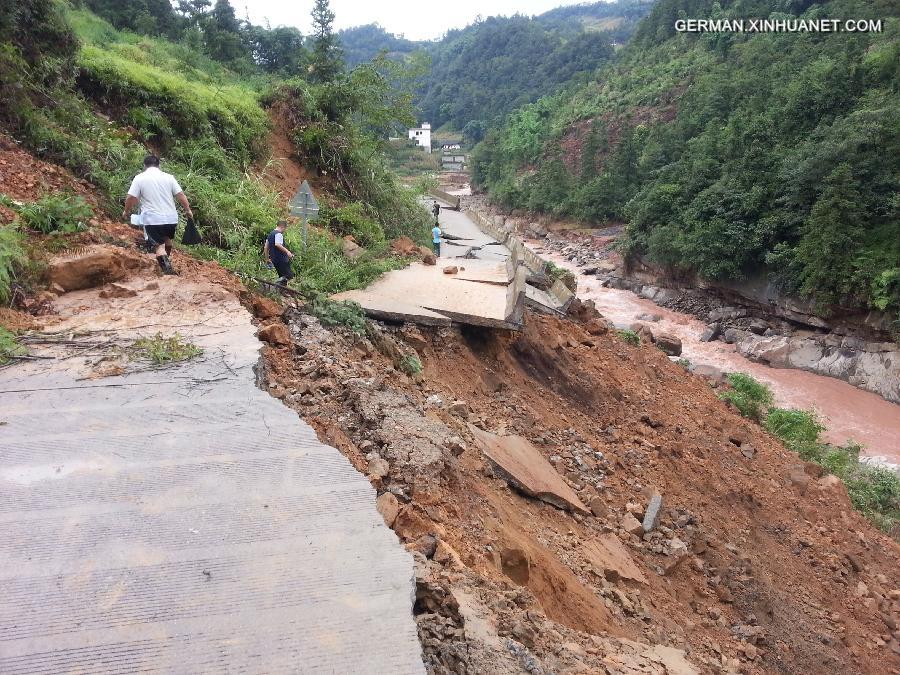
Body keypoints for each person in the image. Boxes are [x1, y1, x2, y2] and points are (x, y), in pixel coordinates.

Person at [123, 155, 193, 275]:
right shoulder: (169, 177)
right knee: (167, 241)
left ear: (145, 166)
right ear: (158, 165)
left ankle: (167, 271)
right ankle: (165, 262)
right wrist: (188, 210)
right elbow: (180, 195)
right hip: (171, 219)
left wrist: (126, 210)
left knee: (159, 247)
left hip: (153, 219)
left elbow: (131, 197)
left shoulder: (140, 178)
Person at [264, 220, 294, 285]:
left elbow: (266, 247)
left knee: (282, 276)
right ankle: (275, 285)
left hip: (274, 260)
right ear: (283, 227)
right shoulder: (278, 234)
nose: (285, 230)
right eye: (285, 228)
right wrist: (287, 252)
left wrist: (267, 259)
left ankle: (282, 291)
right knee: (289, 276)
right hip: (281, 259)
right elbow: (277, 244)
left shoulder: (270, 234)